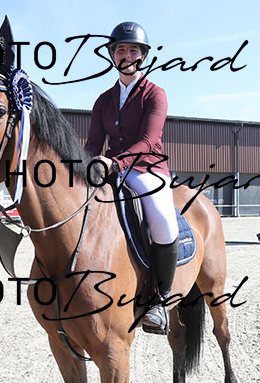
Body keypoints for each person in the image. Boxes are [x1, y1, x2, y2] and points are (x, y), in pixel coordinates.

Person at [84, 21, 179, 334]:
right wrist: (82, 167)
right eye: (121, 49)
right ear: (113, 55)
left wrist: (114, 162)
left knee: (162, 218)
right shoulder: (103, 100)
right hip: (111, 169)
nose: (127, 55)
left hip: (146, 169)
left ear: (143, 56)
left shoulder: (155, 94)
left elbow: (149, 140)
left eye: (133, 50)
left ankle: (161, 299)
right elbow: (93, 144)